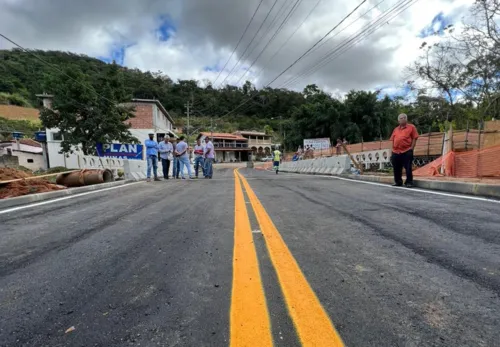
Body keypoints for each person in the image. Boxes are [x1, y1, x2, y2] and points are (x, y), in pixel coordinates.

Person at [390, 113, 419, 188]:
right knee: (396, 167)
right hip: (396, 151)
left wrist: (411, 148)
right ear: (398, 120)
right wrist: (392, 150)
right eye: (401, 118)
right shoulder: (395, 129)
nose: (402, 119)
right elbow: (392, 140)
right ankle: (398, 181)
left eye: (404, 118)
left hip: (406, 151)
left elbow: (414, 138)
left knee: (408, 167)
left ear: (406, 119)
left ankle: (409, 182)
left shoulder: (411, 127)